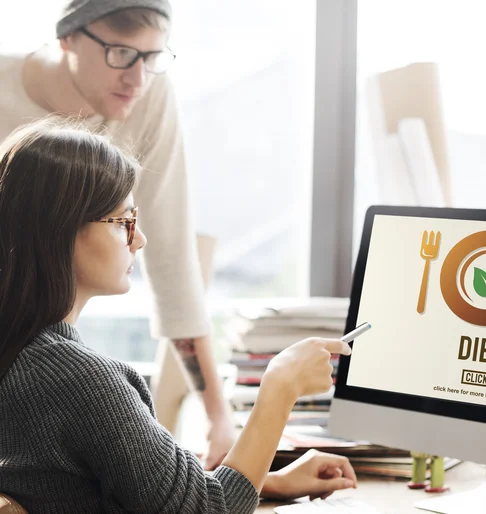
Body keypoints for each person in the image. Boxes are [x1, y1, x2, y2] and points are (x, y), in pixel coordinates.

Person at [0, 118, 357, 513]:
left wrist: (266, 482)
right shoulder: (79, 381)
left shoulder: (22, 357)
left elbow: (100, 488)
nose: (140, 239)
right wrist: (280, 388)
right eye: (124, 222)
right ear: (60, 231)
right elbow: (208, 510)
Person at [0, 0, 236, 468]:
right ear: (67, 37)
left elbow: (170, 256)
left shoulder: (150, 94)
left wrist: (218, 416)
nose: (138, 78)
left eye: (153, 58)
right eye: (121, 54)